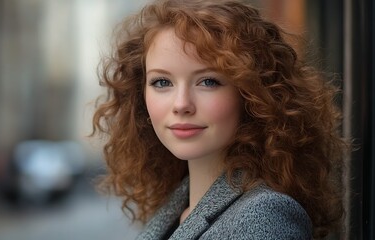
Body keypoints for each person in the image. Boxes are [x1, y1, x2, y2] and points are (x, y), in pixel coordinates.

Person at [91, 0, 347, 239]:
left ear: (252, 94)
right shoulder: (179, 203)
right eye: (162, 82)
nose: (181, 104)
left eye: (208, 81)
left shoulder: (264, 217)